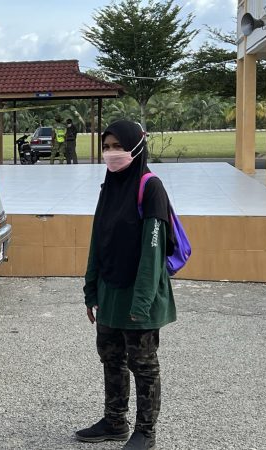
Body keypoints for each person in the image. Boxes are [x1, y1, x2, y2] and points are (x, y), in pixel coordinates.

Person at [75, 120, 176, 450]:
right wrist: (91, 290)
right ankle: (115, 421)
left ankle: (146, 431)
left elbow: (153, 249)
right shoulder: (109, 186)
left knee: (143, 364)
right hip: (110, 291)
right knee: (111, 357)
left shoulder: (151, 188)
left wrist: (142, 302)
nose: (111, 153)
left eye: (118, 146)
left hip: (139, 293)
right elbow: (98, 241)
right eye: (106, 147)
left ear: (136, 146)